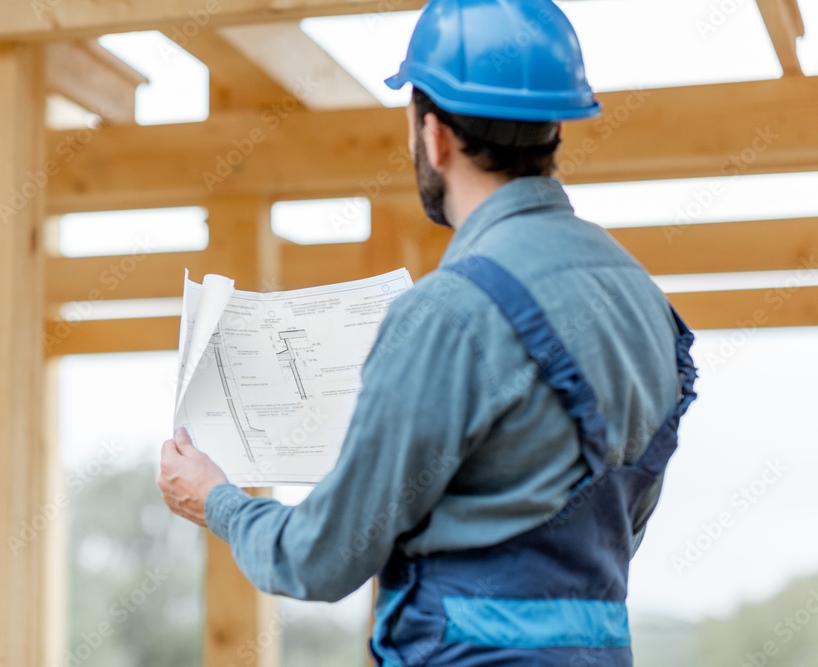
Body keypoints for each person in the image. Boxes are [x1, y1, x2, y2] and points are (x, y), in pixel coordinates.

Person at [157, 0, 698, 664]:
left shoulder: (449, 310)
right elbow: (608, 523)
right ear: (556, 124)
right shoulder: (643, 300)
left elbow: (318, 560)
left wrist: (218, 501)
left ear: (433, 135)